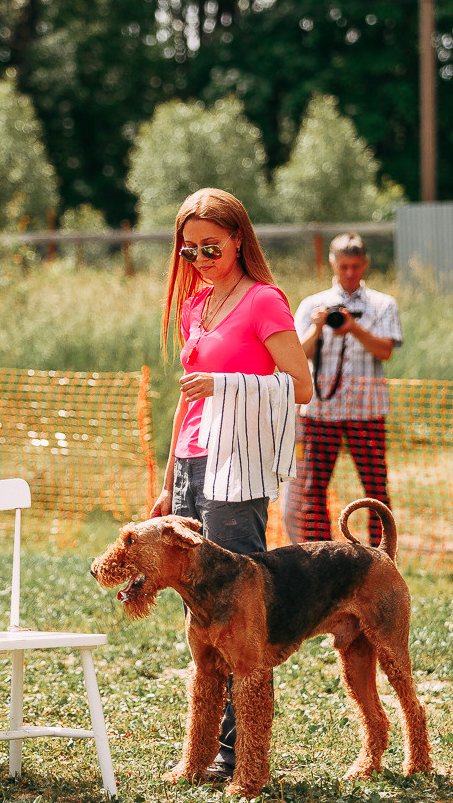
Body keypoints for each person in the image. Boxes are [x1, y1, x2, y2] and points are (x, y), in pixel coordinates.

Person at [151, 187, 313, 781]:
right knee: (199, 609)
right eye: (188, 250)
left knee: (240, 615)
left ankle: (239, 753)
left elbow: (300, 385)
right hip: (193, 466)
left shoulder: (265, 301)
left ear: (239, 238)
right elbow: (185, 402)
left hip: (236, 468)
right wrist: (170, 483)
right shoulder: (198, 305)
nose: (198, 259)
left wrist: (226, 385)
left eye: (210, 247)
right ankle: (204, 752)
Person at [289, 232, 402, 545]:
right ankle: (318, 559)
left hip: (366, 411)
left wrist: (354, 327)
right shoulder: (313, 305)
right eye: (344, 267)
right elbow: (298, 355)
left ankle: (382, 558)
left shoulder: (383, 304)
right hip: (320, 413)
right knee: (312, 490)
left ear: (365, 264)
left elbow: (385, 351)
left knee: (376, 489)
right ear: (332, 264)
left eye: (355, 266)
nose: (350, 273)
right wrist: (317, 326)